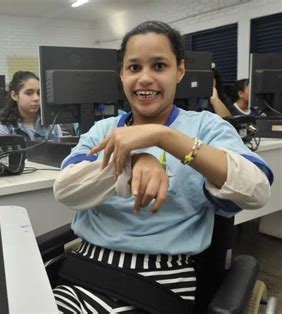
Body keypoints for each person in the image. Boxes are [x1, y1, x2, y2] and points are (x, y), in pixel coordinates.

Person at [52, 21, 272, 313]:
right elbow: (66, 191)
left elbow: (256, 190)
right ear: (121, 74)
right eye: (133, 68)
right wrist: (133, 162)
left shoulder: (204, 127)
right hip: (86, 271)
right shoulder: (103, 130)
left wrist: (165, 137)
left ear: (179, 71)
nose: (144, 78)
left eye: (159, 66)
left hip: (160, 281)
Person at [0, 71, 62, 141]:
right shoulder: (4, 127)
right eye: (29, 93)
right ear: (14, 95)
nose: (36, 98)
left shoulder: (52, 123)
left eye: (39, 93)